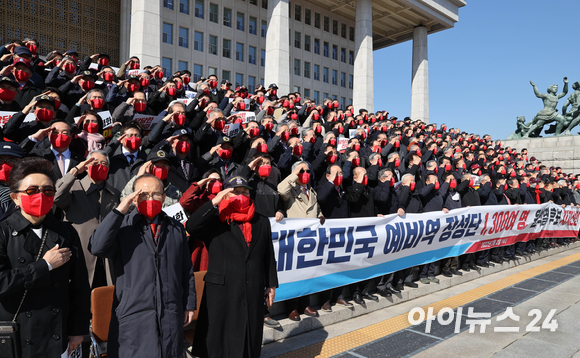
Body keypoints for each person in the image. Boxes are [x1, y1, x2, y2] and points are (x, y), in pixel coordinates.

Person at [89, 173, 196, 358]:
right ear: (134, 197)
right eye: (144, 194)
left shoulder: (175, 228)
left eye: (156, 194)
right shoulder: (122, 227)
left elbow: (186, 270)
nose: (150, 198)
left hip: (170, 314)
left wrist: (189, 304)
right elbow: (97, 247)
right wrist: (120, 210)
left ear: (164, 197)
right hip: (133, 315)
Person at [0, 157, 90, 357]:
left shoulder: (66, 232)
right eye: (32, 191)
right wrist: (45, 266)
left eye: (48, 191)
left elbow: (80, 286)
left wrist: (77, 330)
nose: (41, 196)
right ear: (15, 197)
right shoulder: (3, 231)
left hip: (56, 334)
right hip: (16, 335)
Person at [186, 176, 278, 358]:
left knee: (248, 339)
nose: (241, 196)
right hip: (221, 293)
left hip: (252, 289)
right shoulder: (216, 219)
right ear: (225, 194)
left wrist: (271, 284)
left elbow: (268, 254)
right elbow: (192, 226)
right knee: (219, 342)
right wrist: (214, 202)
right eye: (235, 192)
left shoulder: (262, 221)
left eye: (245, 192)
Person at [54, 150, 121, 288]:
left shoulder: (114, 193)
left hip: (106, 255)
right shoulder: (73, 187)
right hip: (80, 252)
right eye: (94, 163)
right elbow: (56, 197)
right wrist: (75, 171)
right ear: (87, 166)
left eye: (104, 164)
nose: (100, 166)